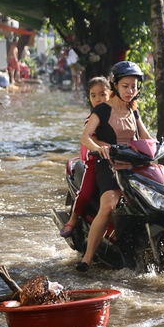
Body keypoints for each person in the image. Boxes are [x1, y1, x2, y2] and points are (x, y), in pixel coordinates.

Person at [75, 61, 164, 272]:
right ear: (116, 86)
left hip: (133, 165)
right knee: (109, 204)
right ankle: (88, 258)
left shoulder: (133, 111)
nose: (131, 90)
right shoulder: (101, 111)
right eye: (126, 86)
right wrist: (98, 148)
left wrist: (163, 144)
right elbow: (85, 137)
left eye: (134, 86)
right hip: (108, 165)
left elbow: (146, 138)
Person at [59, 77, 112, 238]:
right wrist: (104, 147)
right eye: (93, 95)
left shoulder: (119, 114)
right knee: (86, 192)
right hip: (95, 161)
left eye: (102, 94)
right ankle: (73, 219)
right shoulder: (93, 119)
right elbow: (91, 139)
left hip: (119, 161)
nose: (98, 99)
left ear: (111, 93)